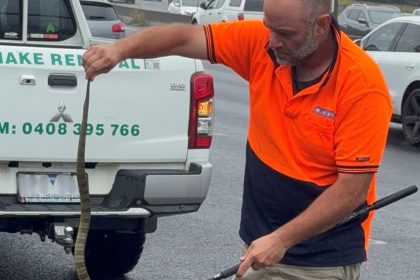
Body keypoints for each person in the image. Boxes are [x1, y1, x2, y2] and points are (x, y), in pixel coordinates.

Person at [83, 0, 392, 279]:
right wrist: (120, 50)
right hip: (263, 247)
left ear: (322, 25)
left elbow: (352, 190)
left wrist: (281, 239)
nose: (272, 41)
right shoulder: (263, 44)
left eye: (284, 33)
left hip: (319, 262)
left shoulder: (361, 86)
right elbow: (185, 37)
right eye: (269, 28)